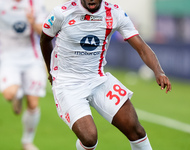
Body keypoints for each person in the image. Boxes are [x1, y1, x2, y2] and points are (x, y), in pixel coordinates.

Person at [40, 0, 172, 149]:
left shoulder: (114, 13)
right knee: (89, 138)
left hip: (98, 80)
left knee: (136, 130)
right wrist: (51, 70)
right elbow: (45, 40)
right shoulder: (62, 12)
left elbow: (141, 47)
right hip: (68, 84)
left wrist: (158, 71)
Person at [0, 0, 47, 150]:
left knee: (33, 104)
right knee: (9, 94)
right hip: (7, 56)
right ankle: (18, 93)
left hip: (31, 57)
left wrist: (33, 22)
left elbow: (44, 32)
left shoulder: (36, 4)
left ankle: (27, 142)